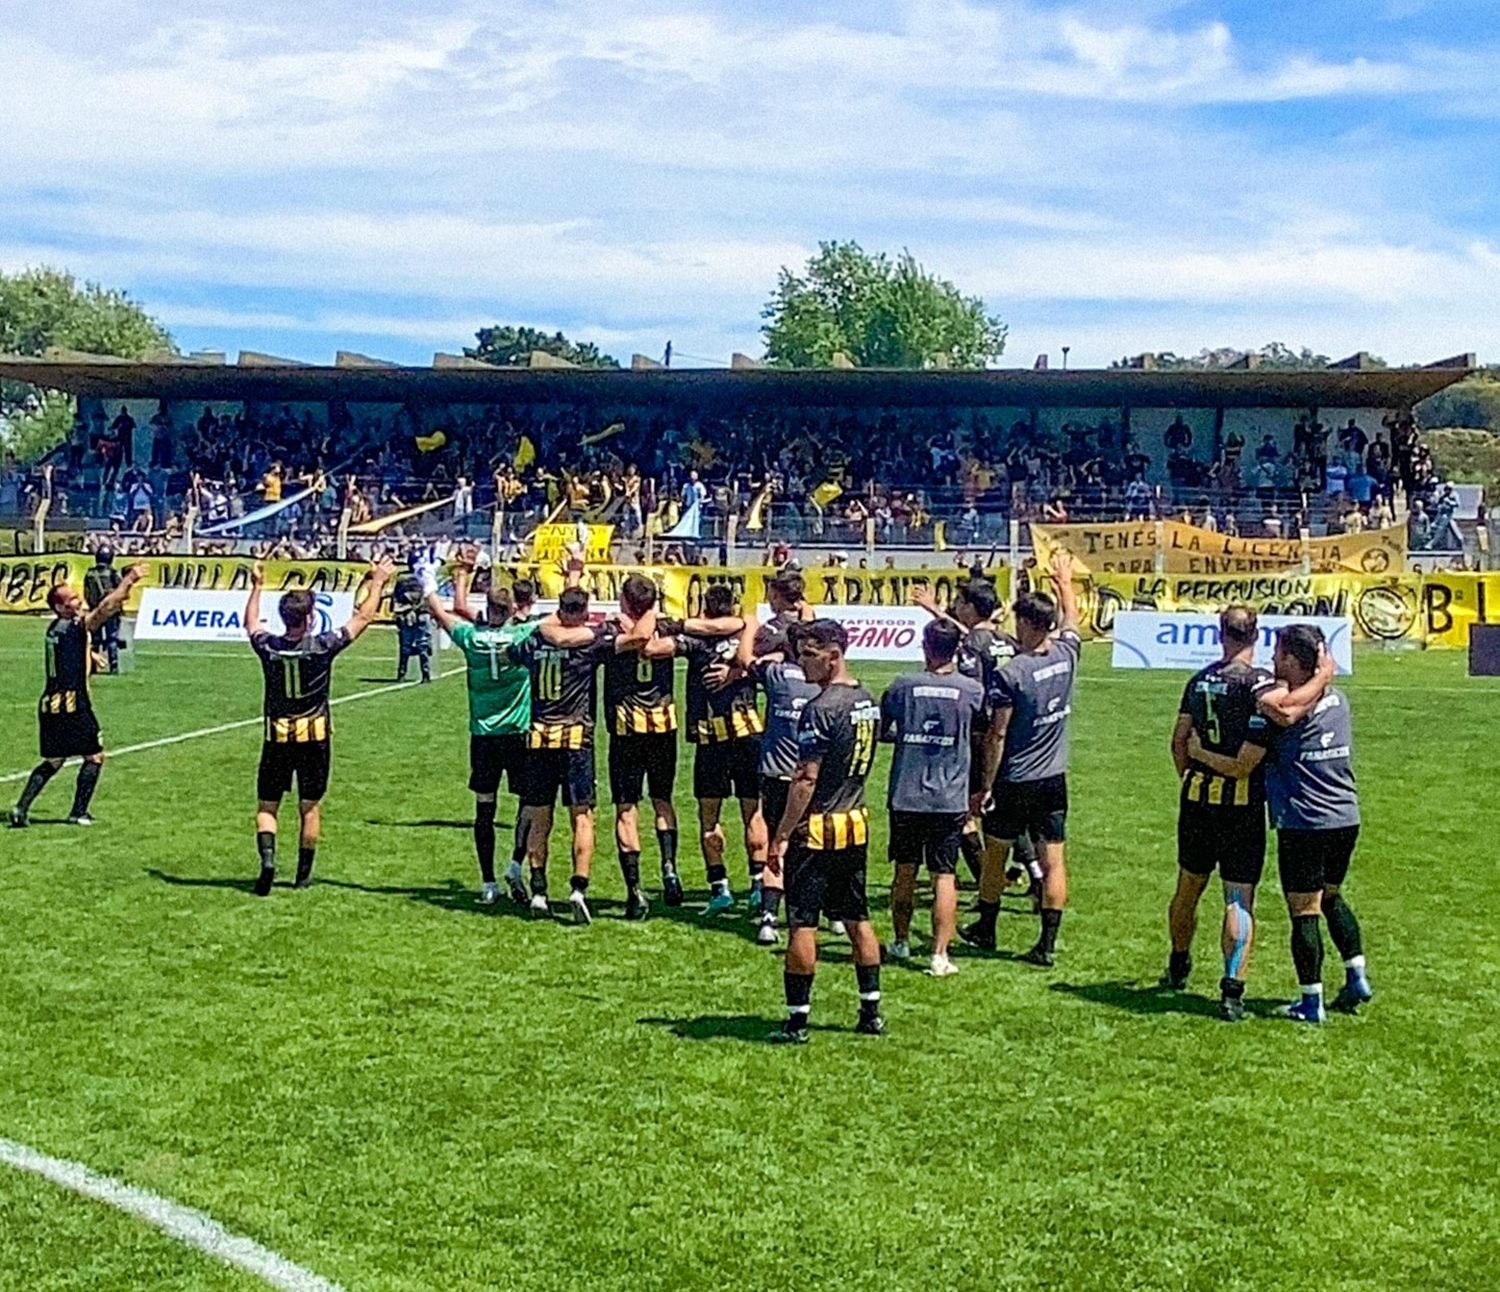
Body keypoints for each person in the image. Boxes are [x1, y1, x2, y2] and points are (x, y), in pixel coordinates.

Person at [1190, 625, 1372, 1023]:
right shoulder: (1338, 699)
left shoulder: (1278, 717)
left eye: (1278, 656)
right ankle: (1356, 973)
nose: (1271, 662)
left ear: (1292, 660)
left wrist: (1198, 752)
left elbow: (1258, 745)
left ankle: (1311, 1003)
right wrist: (1325, 677)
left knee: (1305, 911)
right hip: (1347, 816)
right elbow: (1304, 700)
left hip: (1305, 820)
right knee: (1332, 897)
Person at [421, 557, 581, 906]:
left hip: (483, 736)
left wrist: (429, 577)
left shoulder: (471, 637)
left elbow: (439, 611)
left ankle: (488, 883)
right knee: (529, 803)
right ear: (512, 611)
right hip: (518, 733)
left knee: (485, 809)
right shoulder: (523, 634)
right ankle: (514, 863)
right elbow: (564, 610)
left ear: (487, 608)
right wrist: (573, 570)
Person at [244, 557, 395, 895]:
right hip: (314, 737)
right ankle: (302, 875)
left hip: (277, 736)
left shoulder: (268, 646)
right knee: (309, 807)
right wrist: (379, 582)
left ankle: (268, 860)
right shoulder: (321, 646)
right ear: (309, 617)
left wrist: (256, 585)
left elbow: (251, 623)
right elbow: (363, 618)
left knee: (268, 806)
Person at [767, 620, 885, 1043]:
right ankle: (871, 1011)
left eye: (810, 654)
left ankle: (797, 1021)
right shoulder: (866, 699)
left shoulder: (820, 709)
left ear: (833, 655)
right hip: (855, 821)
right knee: (857, 918)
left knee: (802, 923)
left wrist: (781, 834)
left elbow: (805, 779)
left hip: (817, 828)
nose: (802, 663)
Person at [964, 552, 1082, 966]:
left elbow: (997, 733)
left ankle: (987, 928)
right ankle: (1047, 945)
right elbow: (1073, 620)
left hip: (1016, 778)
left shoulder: (1012, 673)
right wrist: (1065, 582)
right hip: (1054, 775)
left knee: (995, 853)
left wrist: (987, 784)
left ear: (1029, 624)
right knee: (1053, 859)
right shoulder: (1067, 654)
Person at [1164, 606, 1278, 1021]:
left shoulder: (1198, 681)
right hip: (1242, 805)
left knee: (1188, 886)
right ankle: (1232, 991)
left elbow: (1177, 741)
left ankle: (1179, 960)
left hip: (1196, 801)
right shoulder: (1260, 685)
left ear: (1219, 634)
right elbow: (1248, 760)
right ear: (1257, 636)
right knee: (1238, 898)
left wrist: (1190, 776)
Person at [509, 588, 643, 925]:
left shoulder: (537, 639)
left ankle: (539, 891)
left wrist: (548, 625)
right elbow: (632, 639)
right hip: (576, 737)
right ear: (585, 612)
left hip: (540, 736)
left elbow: (514, 651)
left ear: (558, 609)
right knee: (582, 817)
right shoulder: (592, 641)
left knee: (541, 817)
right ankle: (578, 889)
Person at [881, 620, 985, 977]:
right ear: (955, 649)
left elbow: (884, 727)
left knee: (905, 870)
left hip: (906, 793)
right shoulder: (971, 690)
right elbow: (983, 732)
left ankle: (901, 939)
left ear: (924, 646)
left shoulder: (902, 686)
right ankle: (939, 955)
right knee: (944, 875)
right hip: (949, 796)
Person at [10, 562, 148, 828]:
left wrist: (89, 655)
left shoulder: (54, 630)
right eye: (72, 599)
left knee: (53, 760)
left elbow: (68, 652)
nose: (79, 601)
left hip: (49, 704)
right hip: (73, 703)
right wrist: (129, 579)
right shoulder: (74, 626)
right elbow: (106, 609)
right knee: (94, 756)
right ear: (61, 608)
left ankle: (20, 808)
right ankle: (78, 812)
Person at [671, 586, 767, 914]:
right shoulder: (748, 634)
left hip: (712, 737)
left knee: (709, 817)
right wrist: (739, 670)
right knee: (753, 812)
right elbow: (773, 655)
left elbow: (659, 647)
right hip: (748, 731)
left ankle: (720, 888)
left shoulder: (695, 640)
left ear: (704, 608)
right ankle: (757, 886)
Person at [735, 617, 819, 946]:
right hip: (811, 777)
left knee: (775, 845)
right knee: (814, 847)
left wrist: (749, 627)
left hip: (777, 775)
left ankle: (769, 918)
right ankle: (831, 915)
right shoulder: (818, 683)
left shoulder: (779, 676)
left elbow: (745, 660)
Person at [602, 575, 682, 920]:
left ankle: (635, 891)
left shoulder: (612, 631)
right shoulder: (666, 627)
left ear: (624, 600)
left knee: (626, 807)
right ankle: (669, 867)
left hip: (627, 726)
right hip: (663, 724)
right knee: (662, 799)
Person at [82, 546, 125, 674]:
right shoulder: (112, 573)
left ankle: (93, 666)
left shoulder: (90, 573)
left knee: (95, 639)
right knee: (112, 638)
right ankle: (114, 666)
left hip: (95, 610)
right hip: (111, 611)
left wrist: (91, 606)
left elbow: (86, 592)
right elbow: (120, 591)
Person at [391, 556, 433, 683]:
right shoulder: (423, 577)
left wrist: (399, 612)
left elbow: (396, 598)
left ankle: (402, 674)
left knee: (406, 646)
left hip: (408, 614)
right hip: (420, 614)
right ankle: (425, 675)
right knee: (422, 645)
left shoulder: (401, 578)